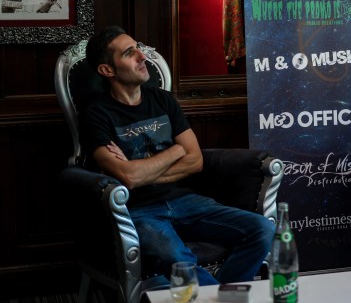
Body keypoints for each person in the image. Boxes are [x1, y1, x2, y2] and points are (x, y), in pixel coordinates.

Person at [79, 25, 275, 286]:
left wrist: (141, 171)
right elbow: (128, 177)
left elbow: (195, 161)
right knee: (176, 257)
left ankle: (221, 298)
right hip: (139, 211)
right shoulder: (96, 114)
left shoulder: (163, 100)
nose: (142, 57)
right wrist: (176, 150)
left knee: (262, 229)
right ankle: (222, 298)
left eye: (138, 48)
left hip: (185, 201)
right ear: (107, 70)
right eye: (129, 53)